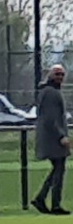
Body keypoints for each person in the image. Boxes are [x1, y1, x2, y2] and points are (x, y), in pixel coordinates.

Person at [35, 63, 67, 215]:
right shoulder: (51, 93)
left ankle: (42, 198)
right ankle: (54, 204)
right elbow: (51, 118)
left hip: (50, 137)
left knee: (58, 169)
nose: (60, 77)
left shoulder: (47, 91)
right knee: (59, 169)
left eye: (62, 74)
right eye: (57, 74)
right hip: (53, 138)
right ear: (50, 76)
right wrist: (61, 135)